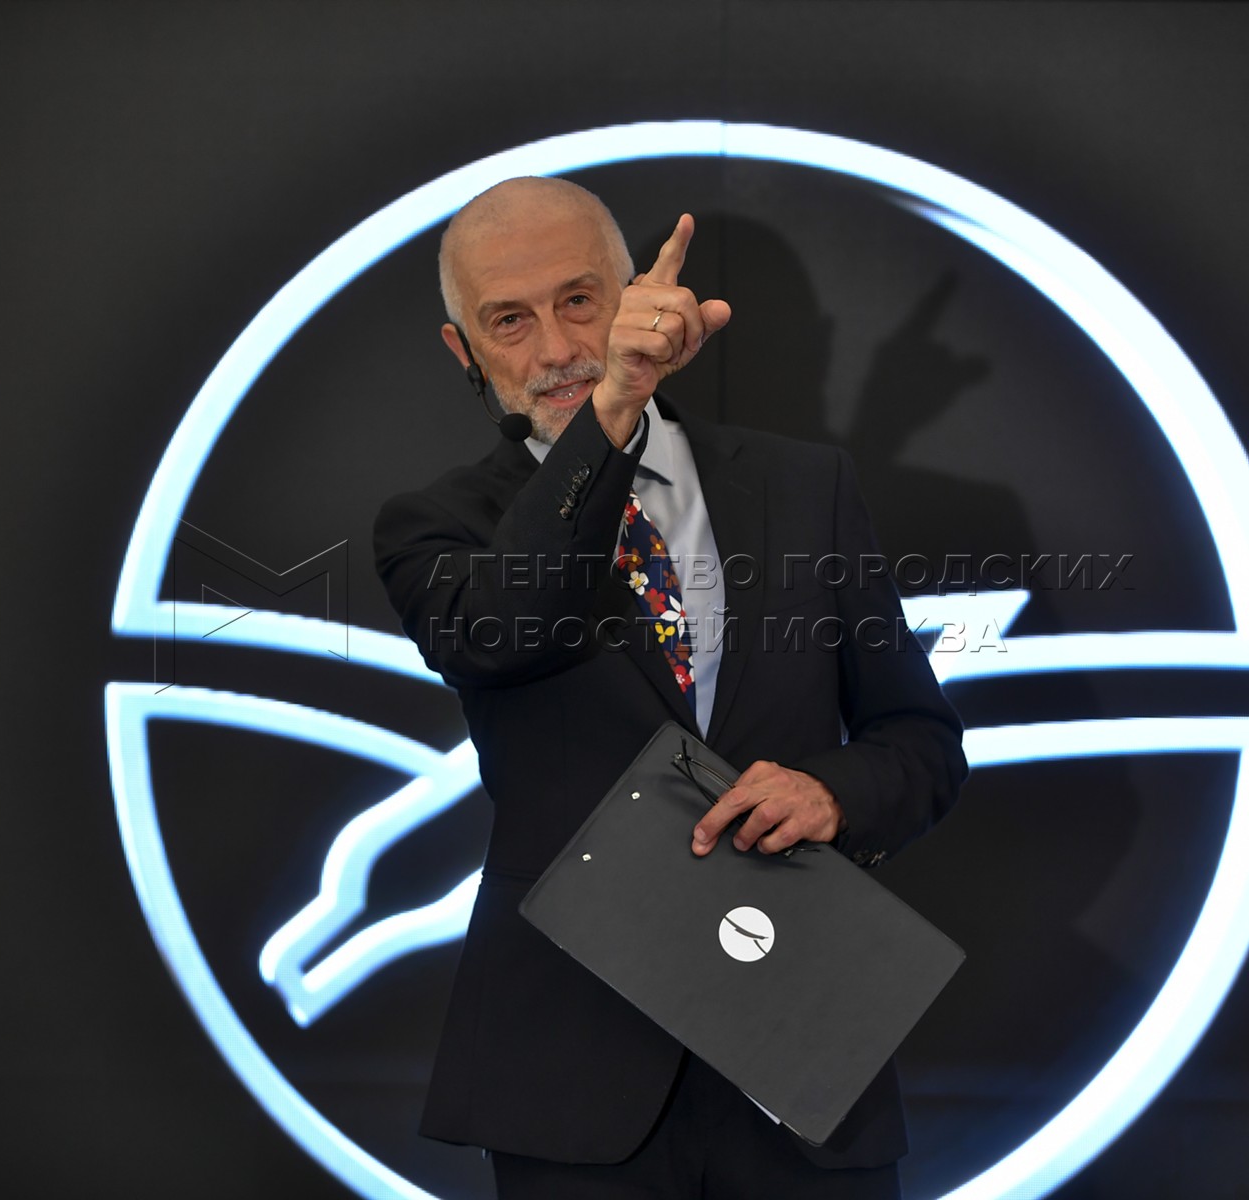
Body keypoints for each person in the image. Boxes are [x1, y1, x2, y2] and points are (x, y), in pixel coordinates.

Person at [373, 176, 968, 1199]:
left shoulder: (806, 488)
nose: (557, 348)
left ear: (636, 297)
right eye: (509, 321)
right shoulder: (435, 526)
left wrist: (833, 794)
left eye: (580, 301)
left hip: (800, 1045)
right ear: (463, 351)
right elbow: (501, 630)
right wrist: (610, 412)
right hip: (575, 1071)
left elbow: (919, 741)